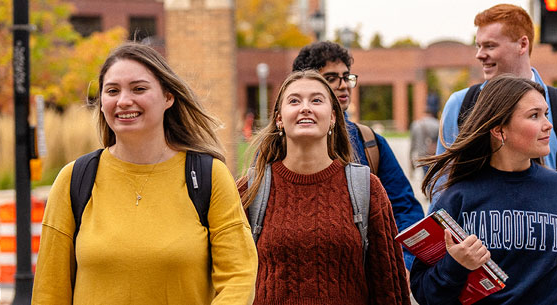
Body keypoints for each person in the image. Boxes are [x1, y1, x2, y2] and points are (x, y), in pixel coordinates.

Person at [34, 43, 258, 304]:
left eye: (139, 88)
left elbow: (238, 276)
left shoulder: (208, 176)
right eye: (112, 91)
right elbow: (49, 292)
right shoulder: (74, 180)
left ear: (168, 97)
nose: (124, 100)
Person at [411, 76, 557, 304]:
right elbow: (424, 293)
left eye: (546, 113)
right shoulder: (457, 198)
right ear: (499, 130)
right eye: (534, 115)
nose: (548, 124)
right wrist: (454, 266)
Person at [238, 70, 410, 304]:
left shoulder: (366, 188)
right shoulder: (252, 189)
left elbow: (389, 287)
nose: (305, 108)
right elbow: (229, 279)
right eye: (294, 100)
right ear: (279, 119)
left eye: (317, 100)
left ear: (333, 118)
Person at [434, 4, 557, 213]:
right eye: (478, 46)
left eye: (490, 46)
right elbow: (442, 190)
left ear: (522, 44)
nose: (480, 55)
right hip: (477, 241)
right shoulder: (460, 105)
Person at [292, 41, 424, 268]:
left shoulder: (369, 142)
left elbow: (404, 209)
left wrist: (405, 264)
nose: (344, 85)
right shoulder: (280, 146)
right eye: (332, 78)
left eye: (347, 77)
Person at [410, 93, 442, 178]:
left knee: (425, 178)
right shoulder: (438, 124)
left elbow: (412, 146)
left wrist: (411, 162)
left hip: (421, 158)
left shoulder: (416, 124)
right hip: (433, 156)